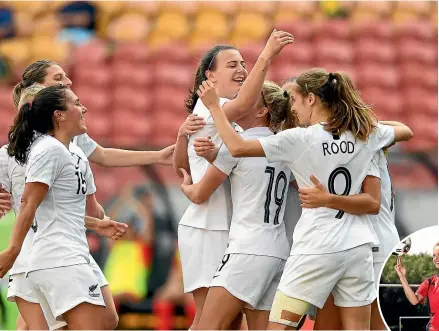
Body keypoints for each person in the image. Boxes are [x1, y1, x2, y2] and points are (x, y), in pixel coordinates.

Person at [195, 68, 414, 330]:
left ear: (311, 99)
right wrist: (362, 122)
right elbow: (403, 135)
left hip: (316, 247)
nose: (292, 109)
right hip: (361, 246)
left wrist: (214, 109)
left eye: (295, 101)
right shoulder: (364, 134)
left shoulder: (300, 139)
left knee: (278, 327)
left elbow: (238, 148)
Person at [173, 30, 294, 330]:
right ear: (209, 77)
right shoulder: (215, 111)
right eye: (232, 64)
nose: (241, 69)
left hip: (237, 234)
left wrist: (194, 151)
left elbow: (198, 162)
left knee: (222, 324)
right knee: (208, 320)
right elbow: (241, 109)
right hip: (209, 226)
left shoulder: (235, 133)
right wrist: (266, 55)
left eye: (244, 62)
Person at [1, 84, 126, 330]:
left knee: (107, 320)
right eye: (77, 103)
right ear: (58, 115)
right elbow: (28, 202)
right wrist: (13, 251)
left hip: (64, 256)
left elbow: (55, 209)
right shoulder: (50, 150)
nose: (84, 108)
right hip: (60, 259)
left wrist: (95, 223)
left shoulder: (67, 151)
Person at [11, 60, 174, 168]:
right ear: (38, 86)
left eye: (67, 76)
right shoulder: (25, 136)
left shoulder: (70, 128)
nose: (68, 82)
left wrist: (158, 156)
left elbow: (102, 155)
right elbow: (32, 199)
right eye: (58, 78)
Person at [395, 243, 439, 331]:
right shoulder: (430, 282)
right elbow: (414, 300)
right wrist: (402, 277)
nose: (436, 259)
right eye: (434, 255)